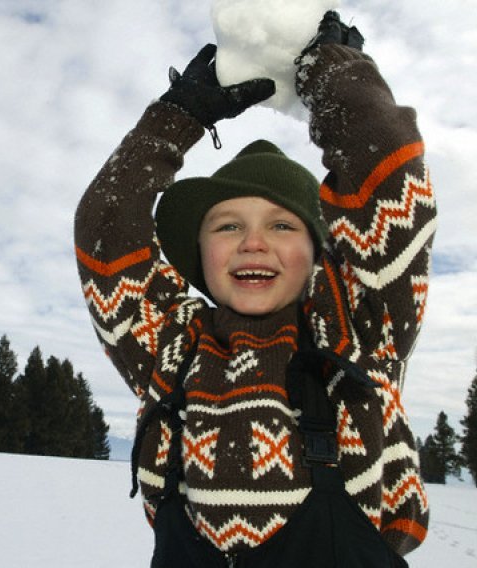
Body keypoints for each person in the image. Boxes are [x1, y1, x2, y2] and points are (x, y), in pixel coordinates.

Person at [74, 12, 433, 567]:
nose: (253, 243)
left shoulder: (358, 322)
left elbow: (386, 181)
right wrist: (175, 119)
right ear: (202, 254)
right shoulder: (171, 344)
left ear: (319, 254)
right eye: (228, 226)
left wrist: (334, 77)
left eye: (282, 225)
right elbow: (104, 231)